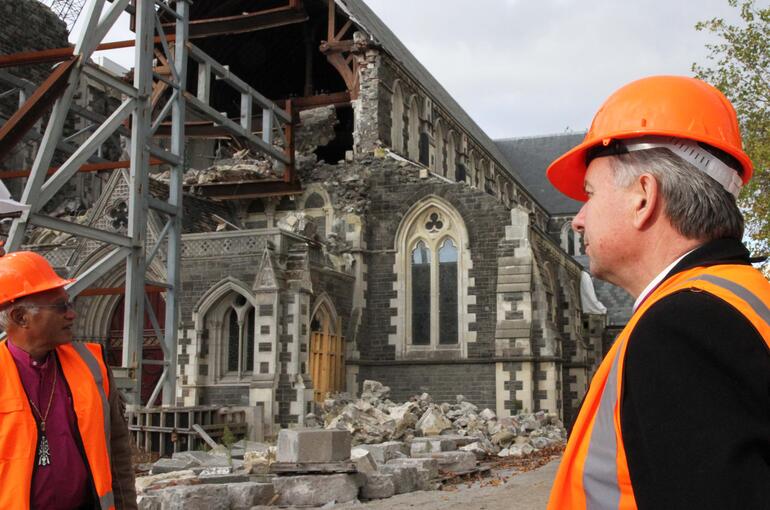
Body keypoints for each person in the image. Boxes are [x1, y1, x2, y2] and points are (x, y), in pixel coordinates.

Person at [545, 75, 770, 509]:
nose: (577, 220)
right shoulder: (739, 298)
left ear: (643, 198)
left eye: (589, 195)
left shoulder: (683, 328)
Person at [0, 250, 137, 510]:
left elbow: (117, 452)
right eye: (60, 306)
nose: (72, 314)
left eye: (69, 303)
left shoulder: (91, 366)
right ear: (20, 317)